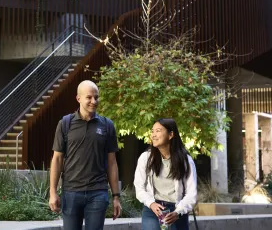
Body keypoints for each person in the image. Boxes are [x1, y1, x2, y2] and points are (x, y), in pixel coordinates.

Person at [49, 80, 122, 230]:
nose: (94, 101)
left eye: (96, 97)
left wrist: (116, 196)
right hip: (71, 192)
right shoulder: (65, 123)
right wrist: (53, 192)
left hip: (98, 192)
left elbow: (112, 162)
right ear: (79, 98)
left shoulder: (107, 125)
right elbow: (57, 159)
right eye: (89, 97)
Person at [134, 118, 197, 230]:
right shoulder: (146, 158)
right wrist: (151, 203)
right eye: (152, 131)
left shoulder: (185, 160)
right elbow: (139, 188)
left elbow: (191, 194)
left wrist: (178, 212)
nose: (153, 135)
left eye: (158, 131)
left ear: (171, 134)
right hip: (153, 209)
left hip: (177, 210)